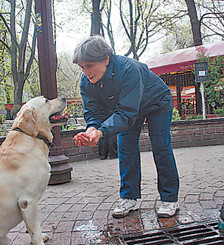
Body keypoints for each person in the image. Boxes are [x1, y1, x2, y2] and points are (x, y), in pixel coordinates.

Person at [72, 35, 180, 219]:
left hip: (157, 103)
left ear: (105, 58)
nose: (86, 72)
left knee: (160, 147)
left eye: (89, 66)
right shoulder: (86, 82)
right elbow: (93, 111)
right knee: (126, 148)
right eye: (82, 67)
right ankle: (129, 197)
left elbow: (127, 113)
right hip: (126, 109)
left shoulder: (129, 69)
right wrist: (92, 130)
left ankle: (170, 199)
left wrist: (101, 131)